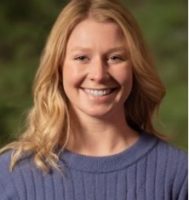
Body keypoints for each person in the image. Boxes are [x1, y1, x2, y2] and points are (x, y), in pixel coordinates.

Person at [0, 0, 187, 199]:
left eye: (115, 58)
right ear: (58, 67)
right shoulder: (11, 175)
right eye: (82, 58)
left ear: (135, 67)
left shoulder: (179, 174)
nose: (98, 74)